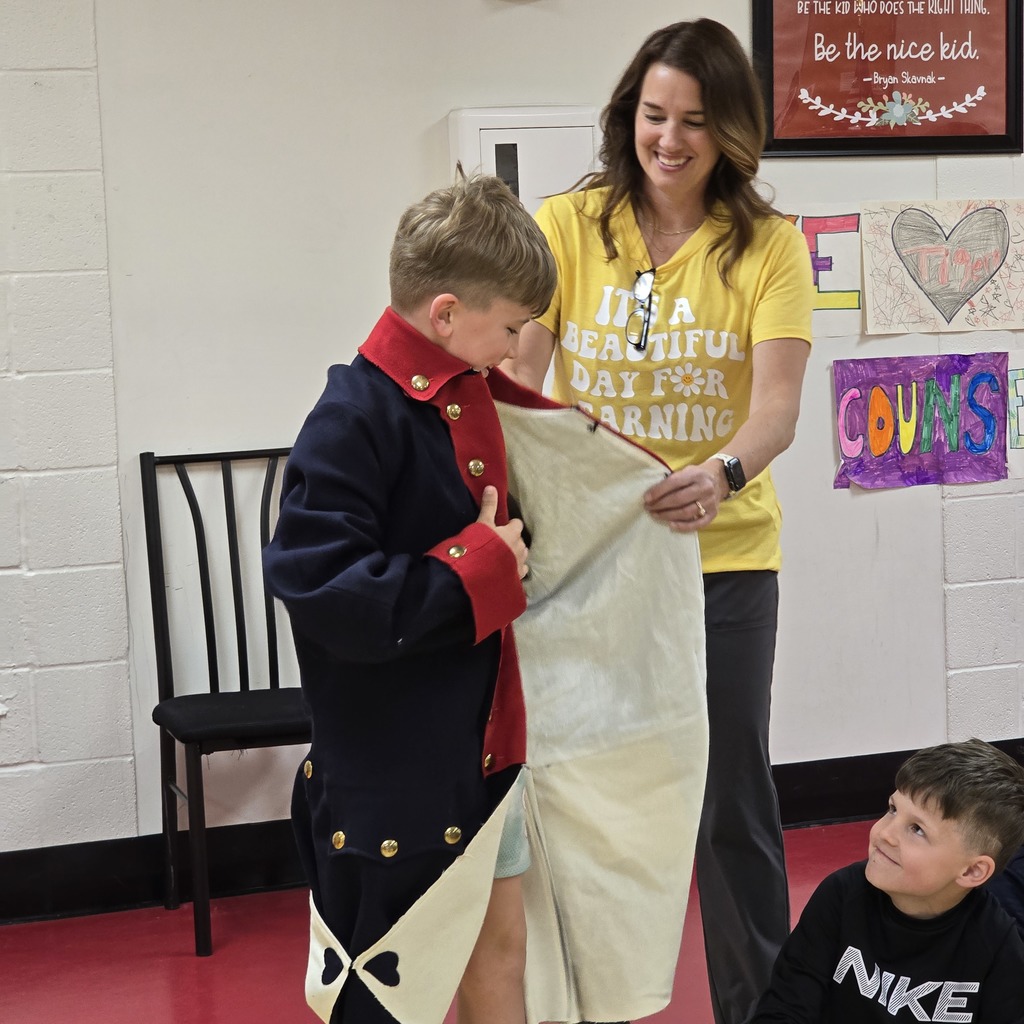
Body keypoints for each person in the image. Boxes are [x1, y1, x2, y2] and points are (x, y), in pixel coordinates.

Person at [501, 19, 814, 1024]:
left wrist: (719, 472)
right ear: (626, 114)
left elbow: (773, 411)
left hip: (720, 561)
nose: (668, 140)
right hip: (588, 564)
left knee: (731, 806)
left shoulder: (770, 246)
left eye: (692, 121)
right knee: (573, 793)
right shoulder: (566, 225)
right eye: (651, 115)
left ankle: (758, 1008)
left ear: (731, 132)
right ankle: (574, 1002)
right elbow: (516, 378)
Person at [262, 173, 556, 1024]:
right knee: (388, 991)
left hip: (482, 754)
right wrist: (479, 567)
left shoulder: (464, 396)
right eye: (508, 327)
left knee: (499, 951)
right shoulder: (352, 416)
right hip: (395, 771)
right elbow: (320, 589)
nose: (512, 348)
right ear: (446, 312)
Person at [749, 739, 1024, 1023]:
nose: (884, 833)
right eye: (893, 809)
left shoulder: (996, 944)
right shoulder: (842, 895)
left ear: (972, 872)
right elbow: (786, 1005)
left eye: (916, 829)